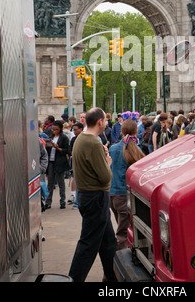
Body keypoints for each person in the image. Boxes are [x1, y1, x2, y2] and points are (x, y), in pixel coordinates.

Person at [68, 108, 118, 283]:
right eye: (104, 120)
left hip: (87, 196)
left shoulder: (80, 138)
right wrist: (107, 162)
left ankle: (112, 276)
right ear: (99, 122)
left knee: (108, 242)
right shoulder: (94, 143)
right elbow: (105, 177)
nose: (106, 123)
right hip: (96, 197)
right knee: (88, 244)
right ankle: (74, 278)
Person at [109, 119, 145, 249]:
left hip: (112, 195)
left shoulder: (112, 149)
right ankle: (120, 258)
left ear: (122, 131)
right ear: (136, 131)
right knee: (123, 233)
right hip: (125, 196)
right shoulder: (137, 151)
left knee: (120, 226)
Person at [45, 120, 69, 209]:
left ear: (60, 129)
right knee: (50, 183)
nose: (54, 131)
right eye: (53, 129)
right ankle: (48, 201)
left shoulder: (64, 138)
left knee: (61, 182)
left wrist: (58, 148)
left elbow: (67, 150)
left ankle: (62, 201)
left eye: (56, 129)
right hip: (51, 161)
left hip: (59, 162)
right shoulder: (50, 137)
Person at [67, 122, 84, 208]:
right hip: (74, 163)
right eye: (73, 130)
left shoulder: (85, 139)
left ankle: (79, 202)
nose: (74, 131)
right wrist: (71, 153)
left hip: (82, 164)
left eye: (75, 130)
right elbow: (69, 149)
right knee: (76, 181)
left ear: (81, 129)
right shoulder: (73, 139)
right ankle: (77, 202)